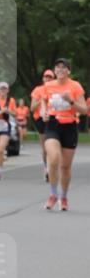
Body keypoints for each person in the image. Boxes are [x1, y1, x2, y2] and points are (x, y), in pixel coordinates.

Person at [40, 58, 86, 211]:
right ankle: (53, 194)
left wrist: (71, 101)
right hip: (52, 124)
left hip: (70, 126)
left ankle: (64, 197)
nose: (60, 69)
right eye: (57, 67)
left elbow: (84, 110)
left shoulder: (75, 86)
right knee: (53, 158)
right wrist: (43, 111)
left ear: (69, 71)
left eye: (63, 67)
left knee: (65, 167)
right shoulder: (48, 86)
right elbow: (43, 101)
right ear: (54, 70)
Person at [30, 69, 55, 181]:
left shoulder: (56, 90)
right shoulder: (37, 90)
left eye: (50, 77)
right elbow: (32, 108)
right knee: (45, 148)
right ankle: (46, 167)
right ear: (43, 78)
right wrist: (42, 100)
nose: (48, 79)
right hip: (40, 119)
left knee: (52, 146)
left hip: (52, 118)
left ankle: (51, 169)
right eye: (46, 77)